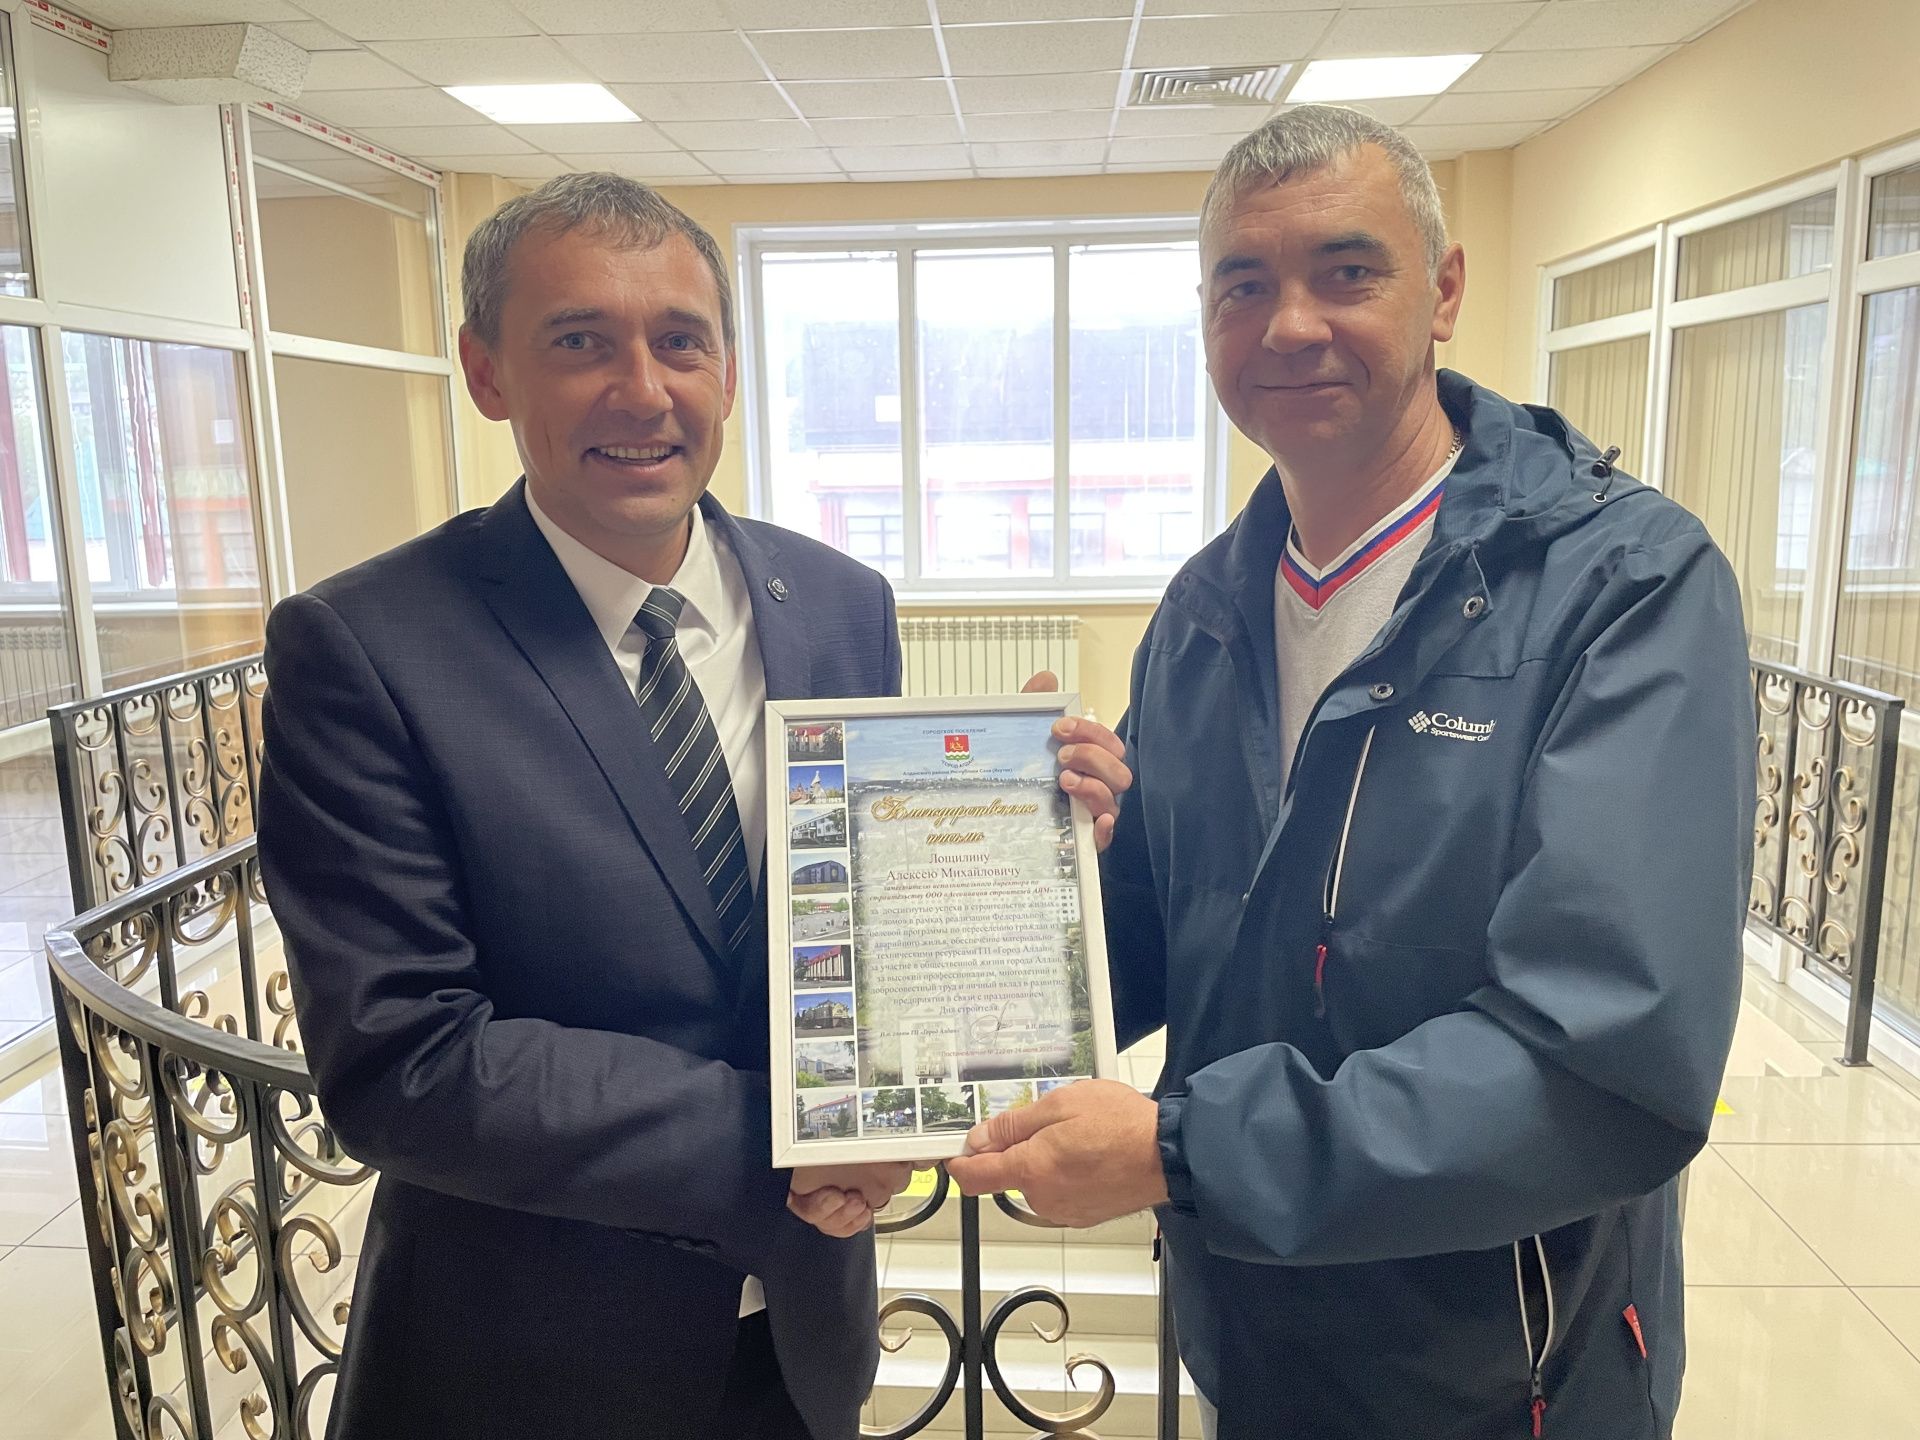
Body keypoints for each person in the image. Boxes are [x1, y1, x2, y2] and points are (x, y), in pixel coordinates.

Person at [949, 105, 1753, 1440]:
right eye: (1242, 286)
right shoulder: (1204, 614)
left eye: (1347, 272)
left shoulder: (1621, 588)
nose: (1289, 326)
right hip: (1255, 1334)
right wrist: (1048, 868)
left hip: (1502, 1379)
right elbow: (1165, 946)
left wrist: (1179, 1149)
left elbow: (1608, 1066)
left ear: (1444, 291)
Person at [258, 174, 918, 1440]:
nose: (643, 389)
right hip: (523, 1368)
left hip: (801, 1339)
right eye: (579, 342)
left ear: (729, 369)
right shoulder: (366, 647)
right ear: (486, 371)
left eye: (680, 341)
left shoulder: (841, 605)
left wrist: (1027, 838)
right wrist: (784, 1134)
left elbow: (855, 923)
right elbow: (404, 1058)